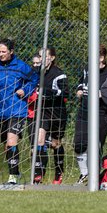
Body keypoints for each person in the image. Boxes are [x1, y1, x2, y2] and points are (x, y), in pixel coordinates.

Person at [0, 38, 39, 185]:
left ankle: (12, 177)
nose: (1, 54)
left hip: (17, 110)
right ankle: (15, 170)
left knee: (11, 142)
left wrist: (25, 90)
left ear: (11, 52)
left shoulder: (21, 66)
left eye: (4, 52)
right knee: (6, 145)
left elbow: (33, 79)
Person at [73, 44, 107, 185]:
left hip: (101, 112)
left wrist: (103, 94)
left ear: (101, 57)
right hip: (84, 110)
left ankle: (95, 176)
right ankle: (84, 173)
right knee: (79, 144)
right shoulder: (87, 68)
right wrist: (79, 90)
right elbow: (81, 83)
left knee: (96, 145)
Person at [33, 47, 69, 185]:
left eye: (45, 56)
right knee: (40, 139)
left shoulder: (59, 74)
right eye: (40, 56)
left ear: (52, 58)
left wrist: (45, 92)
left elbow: (65, 93)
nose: (42, 59)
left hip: (58, 112)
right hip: (43, 111)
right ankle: (38, 175)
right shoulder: (36, 73)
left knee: (55, 144)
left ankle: (59, 172)